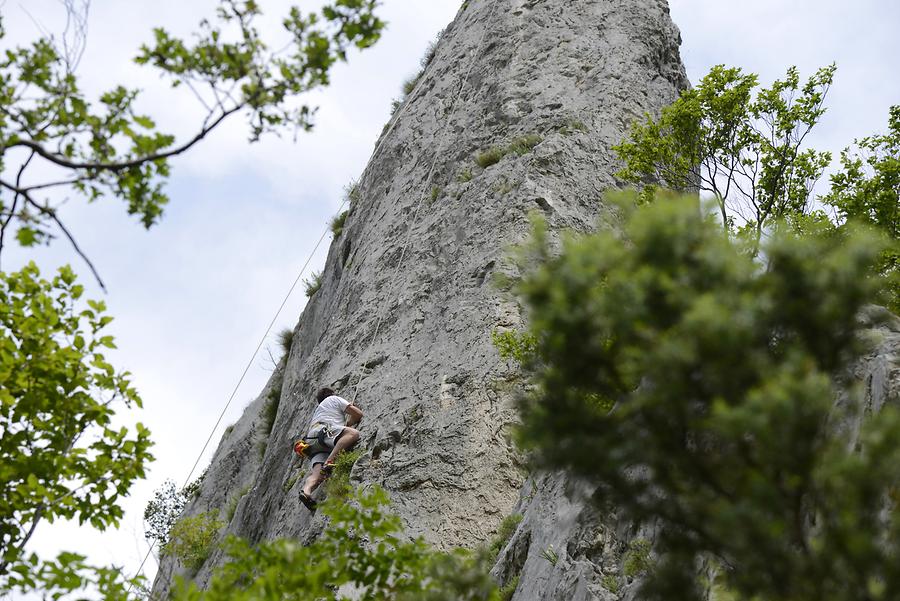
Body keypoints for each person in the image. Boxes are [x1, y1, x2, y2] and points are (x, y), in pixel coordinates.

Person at [297, 387, 362, 512]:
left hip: (312, 441)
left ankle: (306, 491)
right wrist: (353, 409)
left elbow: (343, 426)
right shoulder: (334, 399)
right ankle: (330, 460)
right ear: (332, 394)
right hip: (324, 432)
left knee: (316, 476)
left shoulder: (319, 410)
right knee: (353, 434)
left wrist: (346, 424)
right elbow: (358, 414)